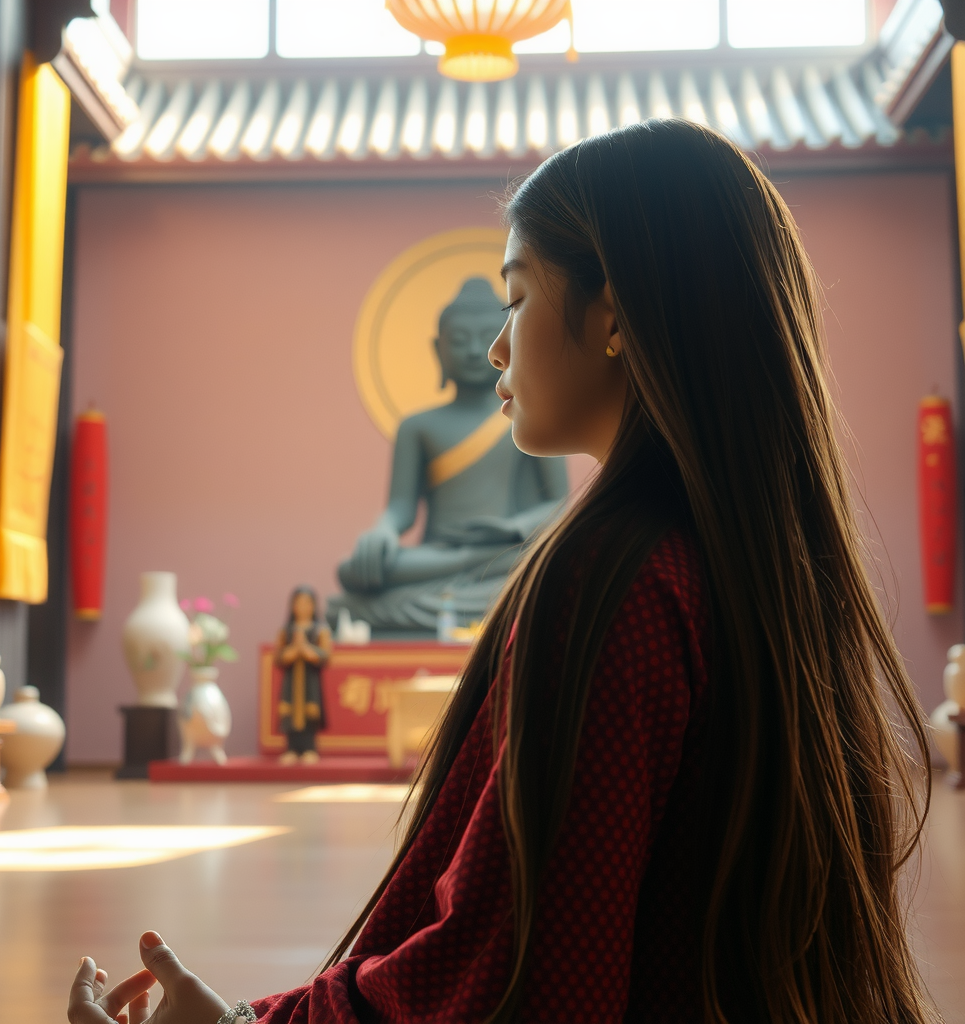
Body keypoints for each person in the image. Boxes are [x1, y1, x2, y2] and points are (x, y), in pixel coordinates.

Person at [68, 120, 936, 1024]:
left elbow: (520, 972)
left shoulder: (610, 581)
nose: (492, 350)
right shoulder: (747, 567)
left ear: (611, 316)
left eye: (515, 299)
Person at [331, 276, 568, 634]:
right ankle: (479, 593)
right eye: (459, 340)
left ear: (508, 344)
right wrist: (381, 532)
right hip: (436, 557)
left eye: (485, 336)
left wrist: (508, 530)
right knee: (353, 574)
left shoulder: (532, 417)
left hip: (502, 552)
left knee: (546, 564)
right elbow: (401, 509)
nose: (474, 350)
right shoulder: (417, 427)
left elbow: (560, 505)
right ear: (437, 349)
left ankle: (479, 584)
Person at [275, 587, 331, 765]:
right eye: (298, 603)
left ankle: (309, 748)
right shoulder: (286, 631)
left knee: (310, 712)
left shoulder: (320, 630)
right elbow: (279, 657)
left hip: (310, 681)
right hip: (290, 681)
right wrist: (294, 650)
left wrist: (305, 648)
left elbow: (325, 656)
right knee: (289, 712)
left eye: (307, 603)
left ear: (314, 606)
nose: (303, 607)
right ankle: (291, 749)